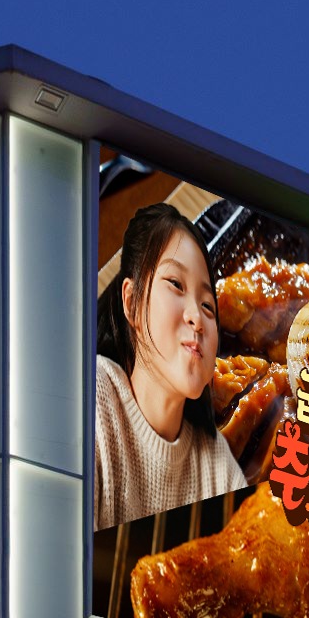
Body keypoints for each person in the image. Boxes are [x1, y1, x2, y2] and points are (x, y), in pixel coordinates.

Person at [95, 202, 246, 531]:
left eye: (207, 306)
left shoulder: (219, 469)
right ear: (132, 303)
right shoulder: (91, 399)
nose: (197, 317)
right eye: (176, 284)